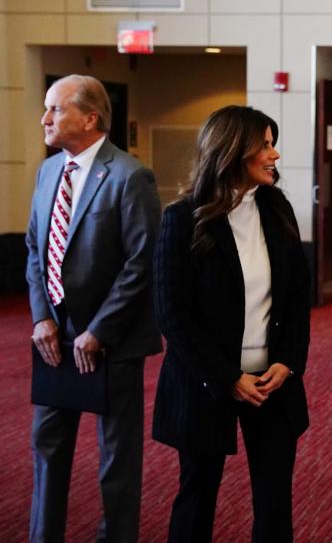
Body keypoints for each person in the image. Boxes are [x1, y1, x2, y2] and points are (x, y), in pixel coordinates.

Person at [152, 106, 310, 543]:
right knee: (197, 494)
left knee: (275, 500)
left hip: (273, 382)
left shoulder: (277, 208)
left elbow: (297, 296)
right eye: (265, 144)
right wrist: (227, 377)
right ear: (232, 150)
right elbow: (172, 312)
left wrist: (288, 361)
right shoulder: (183, 218)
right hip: (206, 383)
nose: (274, 154)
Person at [26, 74, 162, 542]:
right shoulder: (47, 172)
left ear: (91, 117)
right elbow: (33, 251)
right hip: (54, 341)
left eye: (55, 109)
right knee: (47, 448)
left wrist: (99, 329)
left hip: (110, 342)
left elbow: (141, 261)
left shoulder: (130, 175)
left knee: (116, 458)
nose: (45, 119)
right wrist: (42, 317)